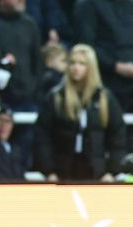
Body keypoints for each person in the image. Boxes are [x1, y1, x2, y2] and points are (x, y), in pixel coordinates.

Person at [37, 43, 118, 181]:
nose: (76, 68)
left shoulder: (105, 98)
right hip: (62, 171)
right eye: (72, 63)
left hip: (96, 173)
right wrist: (48, 170)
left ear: (91, 67)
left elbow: (117, 137)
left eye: (82, 64)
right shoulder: (56, 97)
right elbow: (42, 136)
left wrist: (111, 171)